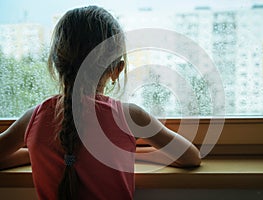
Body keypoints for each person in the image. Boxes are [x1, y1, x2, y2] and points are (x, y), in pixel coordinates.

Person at [0, 6, 201, 200]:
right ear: (117, 69)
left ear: (56, 63)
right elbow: (190, 157)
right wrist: (129, 154)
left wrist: (34, 154)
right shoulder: (129, 117)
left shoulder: (33, 119)